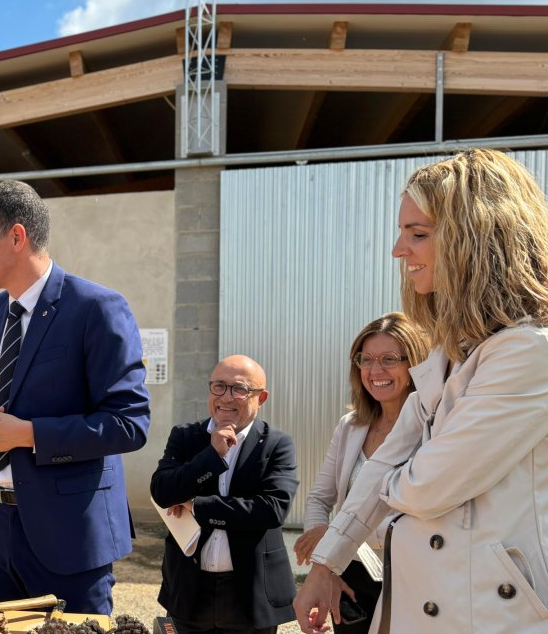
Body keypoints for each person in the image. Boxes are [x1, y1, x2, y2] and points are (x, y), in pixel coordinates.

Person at [294, 148, 548, 633]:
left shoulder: (529, 352)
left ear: (475, 238)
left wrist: (393, 477)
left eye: (418, 234)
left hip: (490, 615)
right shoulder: (450, 353)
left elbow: (429, 485)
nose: (398, 249)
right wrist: (326, 566)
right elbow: (392, 464)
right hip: (425, 605)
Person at [0, 179, 151, 615]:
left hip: (68, 537)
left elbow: (129, 423)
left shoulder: (96, 308)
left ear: (17, 237)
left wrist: (27, 434)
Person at [292, 314, 429, 633]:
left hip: (414, 579)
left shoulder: (434, 429)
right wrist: (328, 568)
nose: (375, 370)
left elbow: (421, 515)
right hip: (350, 579)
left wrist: (335, 536)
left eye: (389, 359)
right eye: (366, 359)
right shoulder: (351, 426)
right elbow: (318, 499)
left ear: (415, 364)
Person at [150, 355, 298, 634]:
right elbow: (162, 491)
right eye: (219, 386)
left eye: (240, 389)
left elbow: (271, 509)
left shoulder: (277, 444)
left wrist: (196, 506)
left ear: (261, 397)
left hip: (249, 590)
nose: (226, 397)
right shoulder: (186, 437)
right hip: (190, 588)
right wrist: (212, 455)